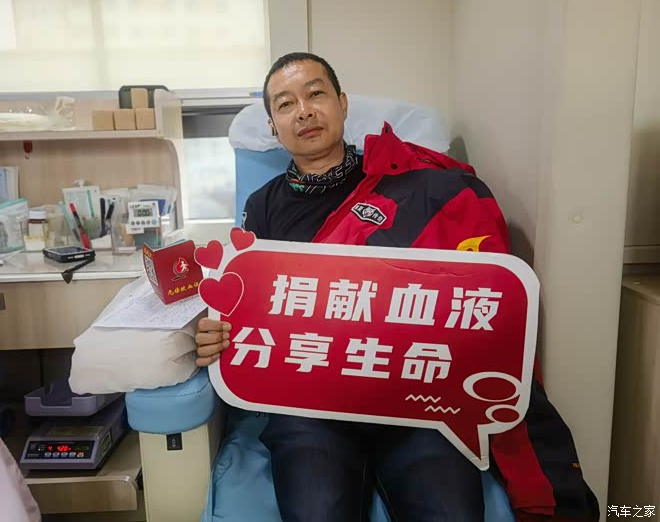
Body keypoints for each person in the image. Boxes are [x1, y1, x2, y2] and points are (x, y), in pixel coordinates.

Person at [194, 53, 599, 522]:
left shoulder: (418, 189)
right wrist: (221, 333)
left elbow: (476, 304)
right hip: (312, 404)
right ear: (273, 126)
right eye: (285, 104)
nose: (303, 111)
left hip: (415, 398)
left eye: (315, 93)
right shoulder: (262, 206)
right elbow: (256, 309)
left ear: (343, 104)